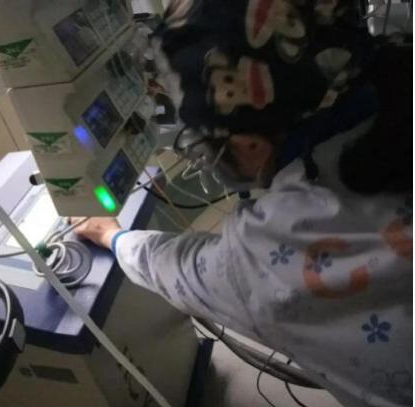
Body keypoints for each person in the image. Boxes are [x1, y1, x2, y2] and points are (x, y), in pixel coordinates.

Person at [69, 1, 412, 406]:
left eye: (206, 143)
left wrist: (113, 236)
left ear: (250, 144)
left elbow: (181, 270)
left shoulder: (272, 253)